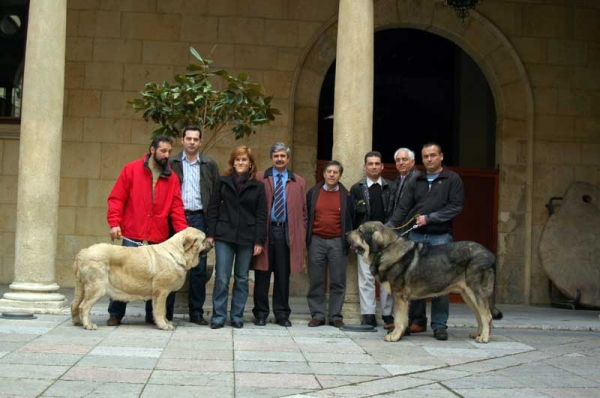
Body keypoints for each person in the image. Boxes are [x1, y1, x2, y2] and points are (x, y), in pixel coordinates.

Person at [106, 135, 188, 326]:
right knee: (123, 276)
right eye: (163, 151)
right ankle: (115, 314)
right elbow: (117, 198)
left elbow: (176, 208)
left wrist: (184, 234)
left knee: (157, 279)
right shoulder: (131, 169)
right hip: (132, 235)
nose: (167, 155)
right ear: (152, 150)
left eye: (169, 151)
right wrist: (114, 223)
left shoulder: (172, 178)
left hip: (158, 237)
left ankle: (154, 316)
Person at [387, 142, 464, 341]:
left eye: (432, 155)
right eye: (426, 156)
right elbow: (403, 207)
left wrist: (430, 218)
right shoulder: (417, 179)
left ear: (441, 156)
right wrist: (388, 227)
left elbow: (455, 206)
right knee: (412, 280)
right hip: (416, 237)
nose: (429, 159)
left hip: (441, 237)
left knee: (442, 281)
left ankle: (439, 325)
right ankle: (416, 322)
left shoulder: (452, 178)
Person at [206, 145, 267, 329]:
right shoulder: (222, 181)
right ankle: (218, 316)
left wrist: (259, 240)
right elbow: (213, 208)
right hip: (224, 235)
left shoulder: (258, 186)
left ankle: (237, 316)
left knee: (241, 278)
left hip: (247, 238)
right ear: (233, 162)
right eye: (237, 159)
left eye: (244, 160)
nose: (240, 163)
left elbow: (261, 214)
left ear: (250, 164)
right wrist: (210, 233)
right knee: (222, 277)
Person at [252, 143, 307, 327]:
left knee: (283, 276)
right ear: (271, 157)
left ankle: (282, 314)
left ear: (288, 158)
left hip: (286, 232)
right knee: (262, 274)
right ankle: (260, 313)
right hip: (265, 231)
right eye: (276, 155)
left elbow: (304, 212)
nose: (279, 159)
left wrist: (300, 233)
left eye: (283, 156)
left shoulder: (298, 181)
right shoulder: (260, 177)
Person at [169, 126, 220, 325]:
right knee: (171, 265)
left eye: (195, 139)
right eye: (188, 138)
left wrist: (211, 230)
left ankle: (196, 312)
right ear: (182, 140)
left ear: (200, 142)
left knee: (198, 268)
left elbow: (215, 198)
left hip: (199, 218)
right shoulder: (172, 163)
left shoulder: (209, 165)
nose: (191, 142)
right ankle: (166, 312)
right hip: (176, 218)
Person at [306, 161, 355, 328]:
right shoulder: (313, 192)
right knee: (316, 280)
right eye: (329, 172)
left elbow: (351, 219)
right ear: (324, 174)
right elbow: (306, 216)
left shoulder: (346, 196)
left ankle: (335, 316)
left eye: (335, 172)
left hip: (337, 242)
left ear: (340, 175)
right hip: (317, 240)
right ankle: (318, 315)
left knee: (338, 280)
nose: (332, 175)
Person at [350, 151, 395, 329]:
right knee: (366, 277)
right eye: (370, 163)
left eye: (377, 163)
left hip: (387, 240)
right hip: (365, 240)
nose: (374, 166)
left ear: (382, 166)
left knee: (387, 277)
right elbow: (352, 216)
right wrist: (355, 240)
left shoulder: (391, 187)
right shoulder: (357, 188)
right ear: (365, 166)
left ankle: (387, 315)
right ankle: (368, 314)